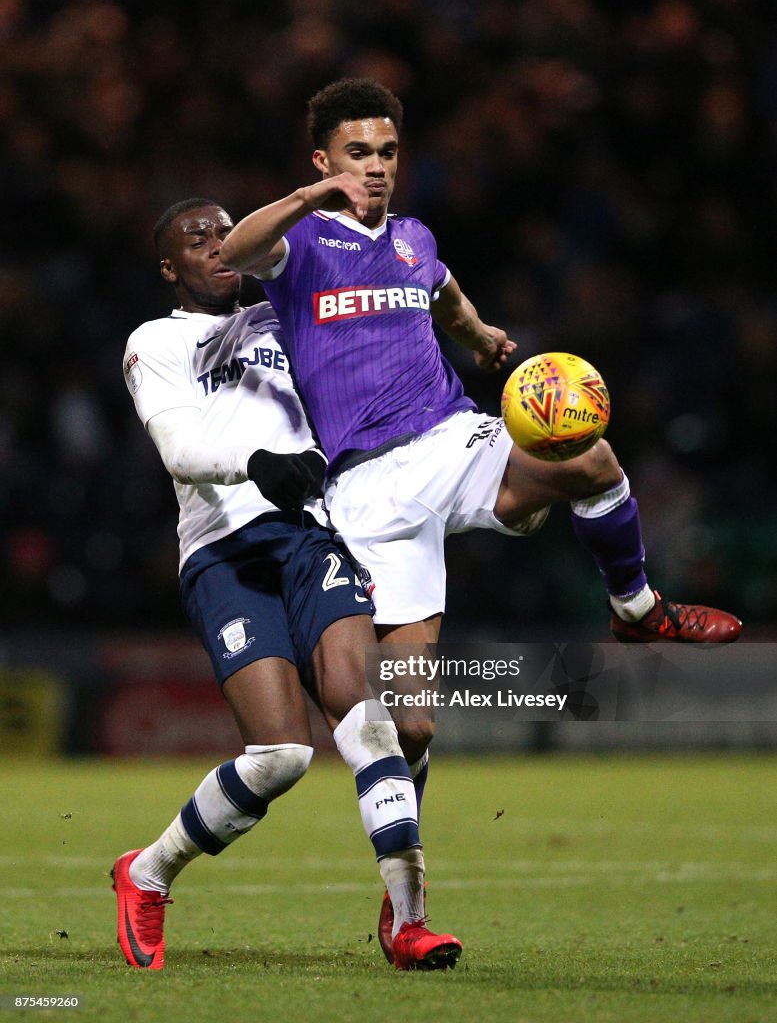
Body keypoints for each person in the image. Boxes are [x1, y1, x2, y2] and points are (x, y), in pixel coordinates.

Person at [219, 77, 743, 957]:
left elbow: (447, 297)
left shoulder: (416, 240)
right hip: (368, 494)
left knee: (591, 458)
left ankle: (636, 609)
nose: (376, 169)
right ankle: (405, 915)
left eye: (386, 153)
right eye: (357, 154)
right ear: (321, 160)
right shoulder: (300, 244)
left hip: (456, 437)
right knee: (410, 721)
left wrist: (482, 336)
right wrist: (315, 199)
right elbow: (236, 247)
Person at [112, 198, 462, 972]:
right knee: (280, 756)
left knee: (372, 717)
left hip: (310, 537)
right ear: (170, 268)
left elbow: (388, 319)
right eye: (196, 240)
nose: (217, 245)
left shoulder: (287, 315)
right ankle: (146, 874)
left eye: (223, 230)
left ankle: (409, 919)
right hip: (225, 552)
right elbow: (177, 448)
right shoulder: (157, 340)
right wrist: (257, 466)